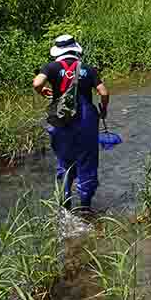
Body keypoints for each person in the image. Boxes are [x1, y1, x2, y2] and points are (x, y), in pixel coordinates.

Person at [33, 34, 110, 214]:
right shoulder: (87, 69)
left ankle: (65, 206)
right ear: (75, 49)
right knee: (87, 161)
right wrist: (104, 109)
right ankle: (84, 207)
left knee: (64, 160)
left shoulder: (51, 67)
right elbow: (104, 92)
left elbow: (37, 82)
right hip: (86, 119)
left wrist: (42, 90)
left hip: (62, 119)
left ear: (57, 51)